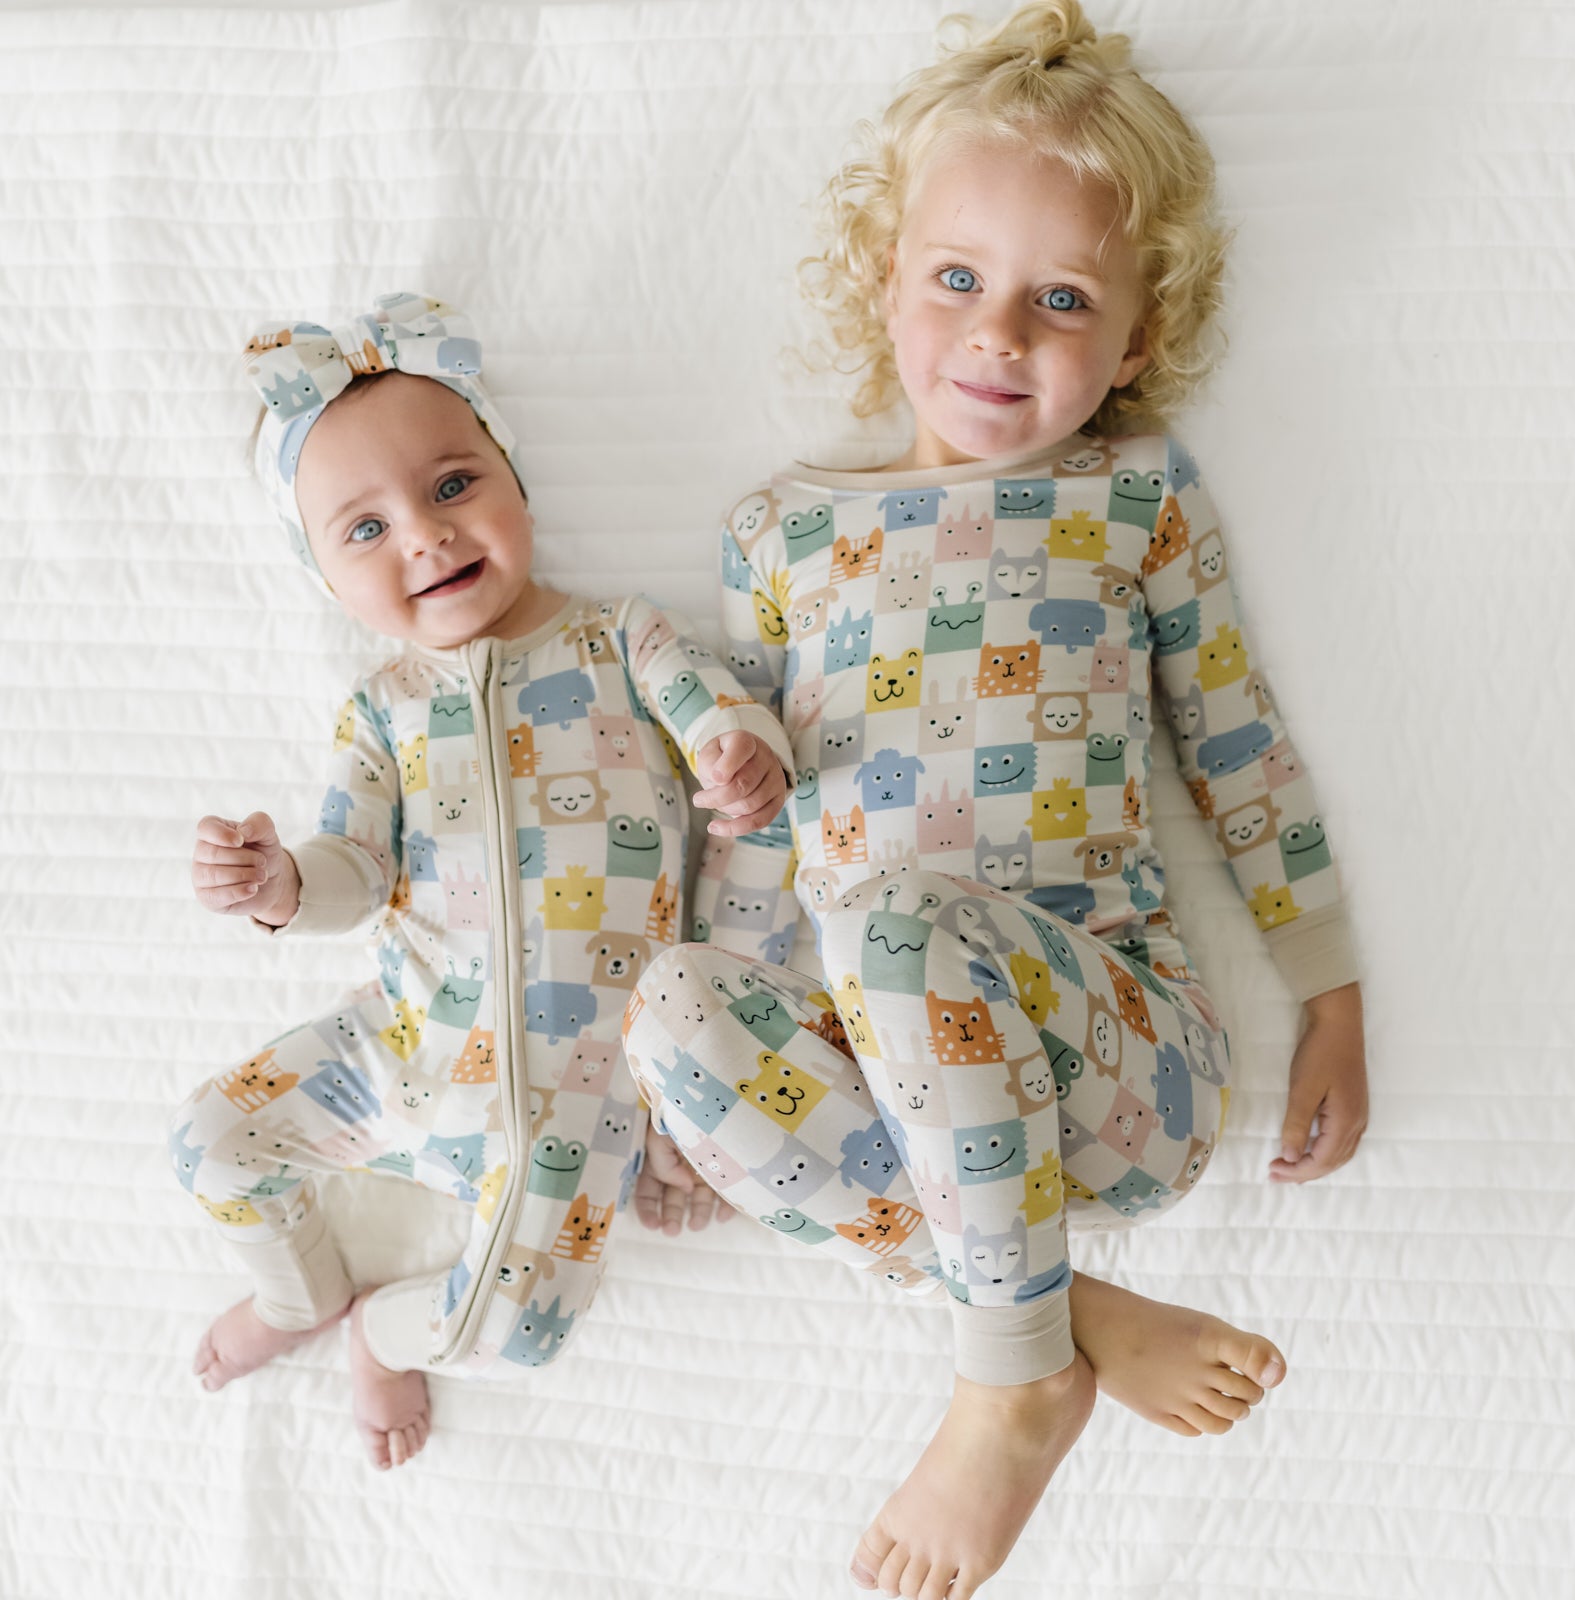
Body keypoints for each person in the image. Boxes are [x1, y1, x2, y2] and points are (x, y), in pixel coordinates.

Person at [619, 6, 1369, 1595]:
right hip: (906, 1110)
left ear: (1140, 336)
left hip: (1121, 1069)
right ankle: (1060, 1327)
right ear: (884, 277)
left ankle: (1015, 1378)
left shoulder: (1131, 497)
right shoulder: (781, 531)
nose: (1000, 336)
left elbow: (1238, 744)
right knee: (674, 1005)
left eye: (1063, 300)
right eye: (958, 279)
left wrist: (1332, 990)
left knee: (895, 926)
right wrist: (707, 1092)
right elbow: (766, 844)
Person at [171, 292, 790, 1470]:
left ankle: (385, 1336)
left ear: (515, 481)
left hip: (577, 1092)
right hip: (400, 1047)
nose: (425, 535)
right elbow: (354, 866)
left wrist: (735, 752)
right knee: (209, 1141)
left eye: (454, 486)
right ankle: (300, 1294)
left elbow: (719, 717)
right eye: (366, 530)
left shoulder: (620, 640)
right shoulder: (382, 709)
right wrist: (279, 883)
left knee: (513, 1328)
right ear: (323, 578)